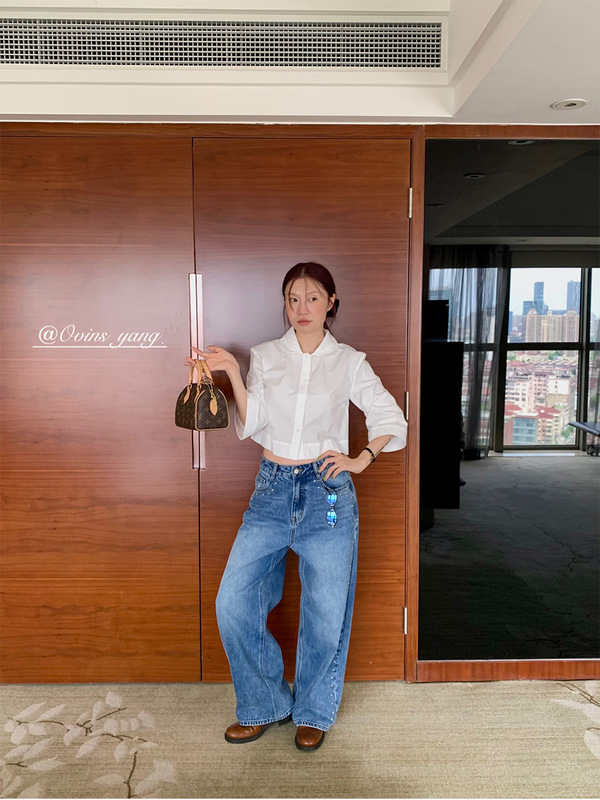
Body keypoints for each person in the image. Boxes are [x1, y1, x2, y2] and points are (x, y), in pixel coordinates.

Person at [185, 262, 407, 752]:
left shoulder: (349, 361)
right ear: (284, 304)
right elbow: (254, 423)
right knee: (233, 602)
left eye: (312, 298)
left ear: (331, 303)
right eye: (292, 298)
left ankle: (312, 711)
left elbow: (392, 417)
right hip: (271, 490)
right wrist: (233, 373)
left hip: (327, 494)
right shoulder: (267, 355)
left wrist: (360, 459)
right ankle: (265, 702)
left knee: (325, 612)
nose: (301, 308)